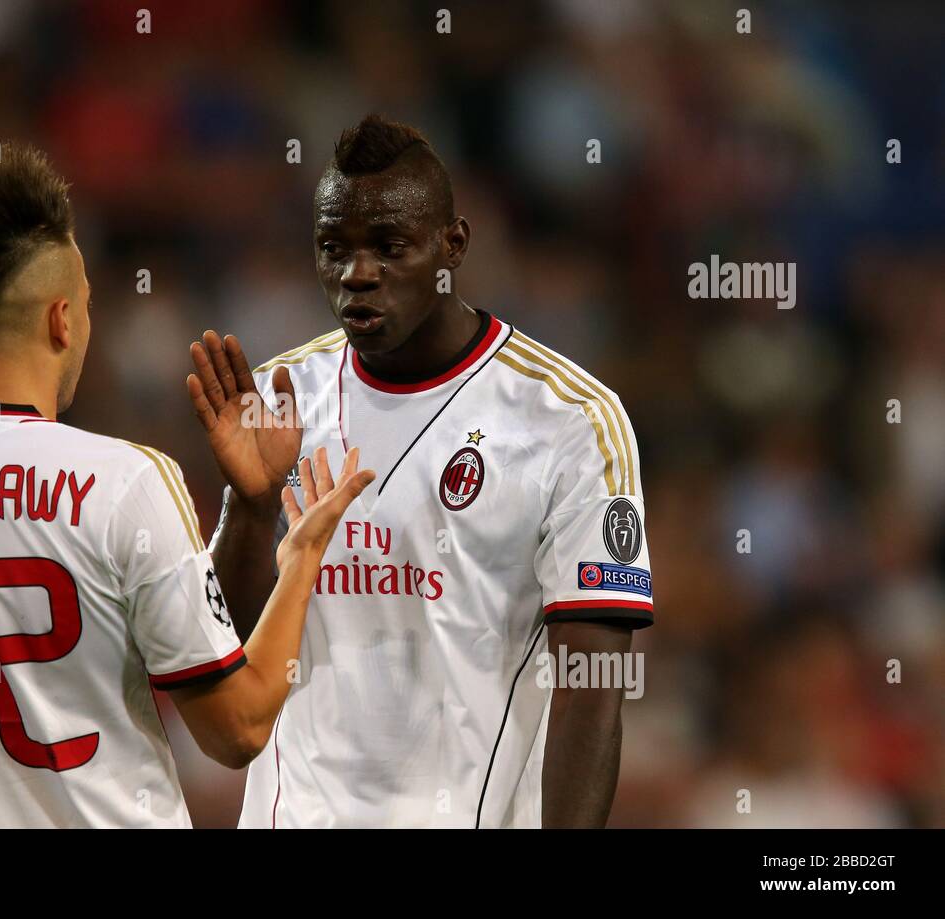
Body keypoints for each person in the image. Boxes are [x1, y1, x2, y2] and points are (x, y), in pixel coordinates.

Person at [0, 134, 373, 828]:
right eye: (87, 302)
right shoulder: (125, 482)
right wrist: (301, 553)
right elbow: (236, 729)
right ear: (63, 318)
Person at [188, 115, 653, 828]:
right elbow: (222, 664)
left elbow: (590, 689)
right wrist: (250, 509)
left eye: (388, 246)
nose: (358, 274)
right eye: (333, 248)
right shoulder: (279, 399)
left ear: (453, 244)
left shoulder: (570, 419)